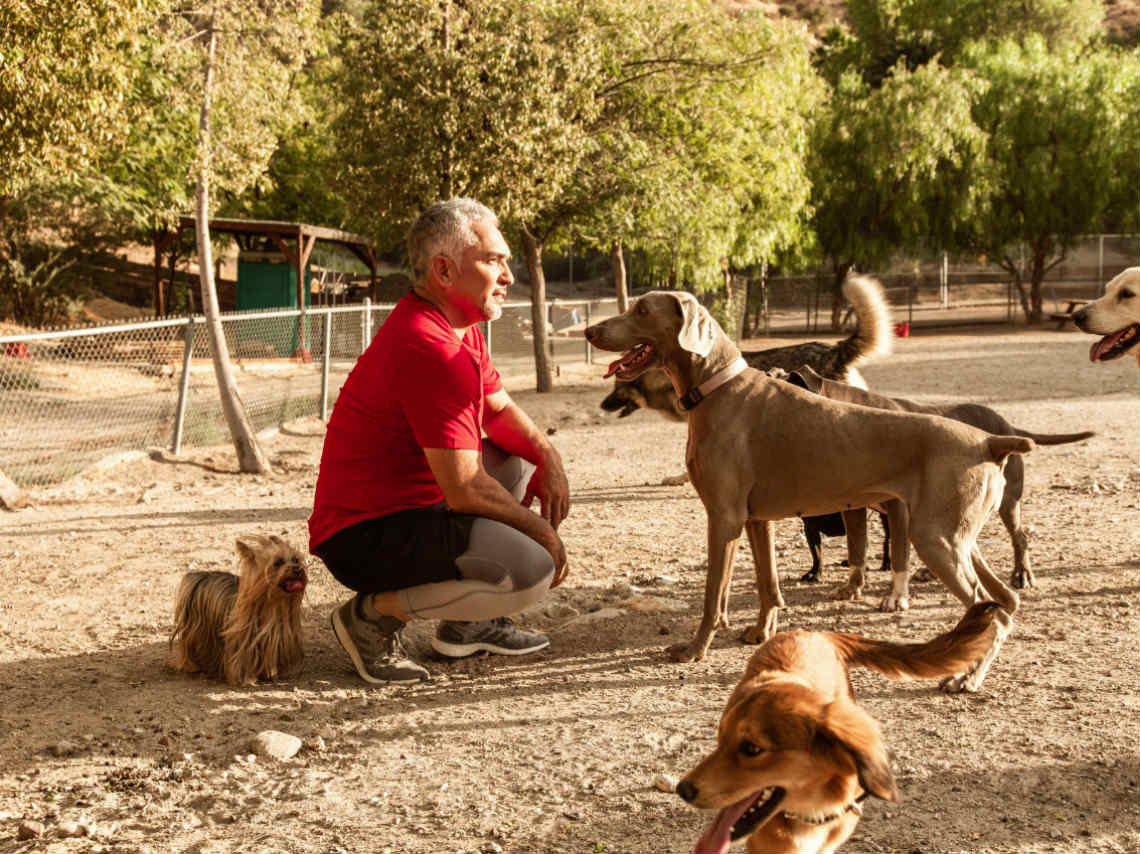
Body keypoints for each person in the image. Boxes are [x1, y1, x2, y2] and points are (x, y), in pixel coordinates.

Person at [308, 198, 570, 683]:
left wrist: (548, 456)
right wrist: (543, 533)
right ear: (444, 271)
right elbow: (466, 487)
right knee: (529, 569)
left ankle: (469, 625)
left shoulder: (458, 327)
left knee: (513, 461)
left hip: (406, 509)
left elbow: (501, 411)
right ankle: (369, 619)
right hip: (362, 537)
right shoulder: (430, 348)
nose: (508, 275)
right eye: (494, 260)